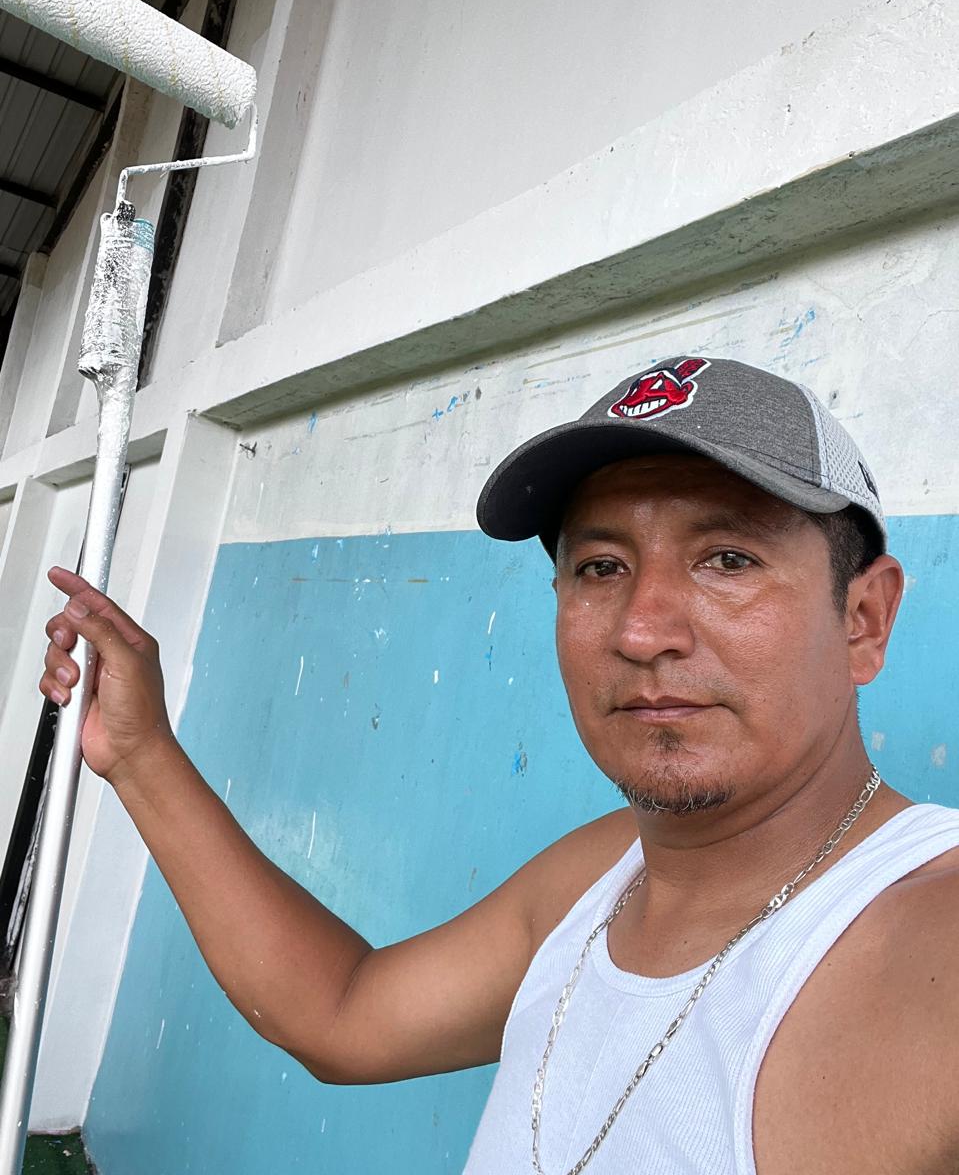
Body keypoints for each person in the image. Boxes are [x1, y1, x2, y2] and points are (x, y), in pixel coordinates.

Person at [39, 355, 959, 1174]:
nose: (642, 631)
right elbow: (343, 1014)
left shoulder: (929, 943)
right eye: (601, 567)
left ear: (862, 620)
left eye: (726, 558)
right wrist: (141, 754)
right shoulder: (602, 876)